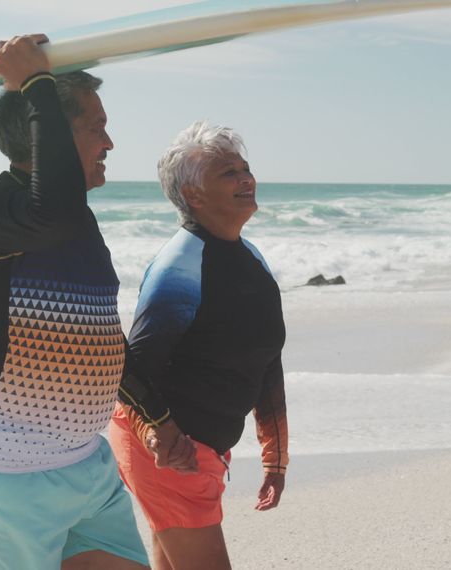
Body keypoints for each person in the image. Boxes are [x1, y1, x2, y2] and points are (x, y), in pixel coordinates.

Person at [0, 35, 148, 570]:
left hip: (86, 462)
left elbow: (100, 332)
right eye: (94, 127)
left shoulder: (79, 219)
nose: (109, 142)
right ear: (46, 133)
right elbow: (51, 208)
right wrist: (34, 84)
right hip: (9, 470)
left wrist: (158, 414)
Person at [109, 121, 289, 570]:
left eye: (245, 168)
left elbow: (265, 359)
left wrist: (277, 457)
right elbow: (128, 365)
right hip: (170, 452)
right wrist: (158, 429)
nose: (246, 179)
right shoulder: (180, 266)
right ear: (194, 195)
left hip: (199, 451)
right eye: (228, 173)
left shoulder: (250, 259)